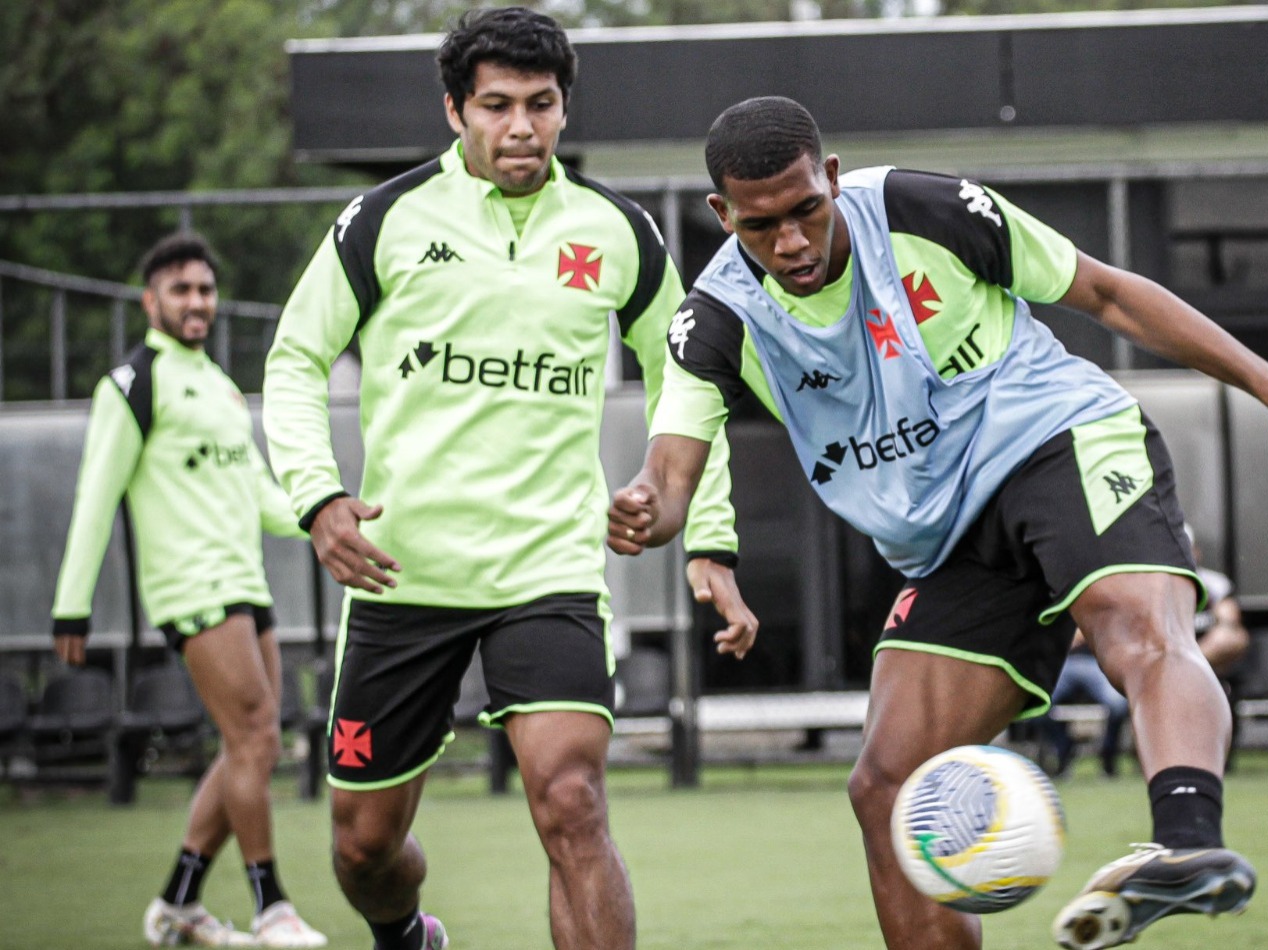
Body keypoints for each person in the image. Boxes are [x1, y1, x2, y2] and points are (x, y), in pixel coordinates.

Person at [608, 97, 1268, 950]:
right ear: (722, 215)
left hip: (1054, 441)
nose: (790, 242)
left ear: (830, 178)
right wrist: (648, 506)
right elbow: (670, 472)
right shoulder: (713, 319)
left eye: (805, 212)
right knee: (885, 787)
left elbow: (1108, 293)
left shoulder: (921, 209)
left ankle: (1188, 847)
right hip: (945, 542)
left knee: (1137, 633)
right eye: (760, 227)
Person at [262, 11, 751, 950]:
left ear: (565, 108)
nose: (521, 127)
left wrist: (701, 525)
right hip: (405, 575)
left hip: (550, 571)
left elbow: (691, 380)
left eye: (541, 104)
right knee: (363, 850)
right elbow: (293, 359)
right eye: (496, 106)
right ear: (455, 111)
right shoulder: (386, 219)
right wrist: (319, 500)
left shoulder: (617, 231)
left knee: (571, 802)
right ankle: (405, 932)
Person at [50, 234, 326, 948]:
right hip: (191, 588)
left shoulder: (222, 386)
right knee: (255, 735)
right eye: (181, 290)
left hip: (245, 583)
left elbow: (263, 496)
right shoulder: (132, 386)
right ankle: (272, 909)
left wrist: (331, 517)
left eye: (205, 289)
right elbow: (94, 496)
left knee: (251, 745)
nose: (197, 302)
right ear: (152, 302)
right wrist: (70, 605)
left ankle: (178, 903)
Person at [1189, 528, 1249, 769]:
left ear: (1196, 552)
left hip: (1208, 663)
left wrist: (1192, 659)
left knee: (1232, 637)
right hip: (1166, 663)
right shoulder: (1154, 585)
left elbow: (1231, 627)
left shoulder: (1214, 584)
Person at [1039, 633, 1129, 779]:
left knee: (1118, 703)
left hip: (1095, 661)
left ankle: (1108, 752)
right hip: (1062, 662)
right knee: (1036, 704)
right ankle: (1064, 747)